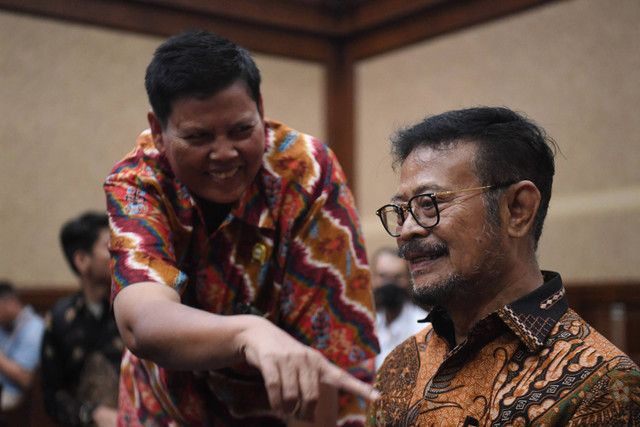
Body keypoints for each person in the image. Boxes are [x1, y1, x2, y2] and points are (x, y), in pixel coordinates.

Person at [103, 29, 379, 426]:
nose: (224, 154)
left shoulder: (306, 174)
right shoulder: (139, 180)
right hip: (167, 407)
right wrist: (249, 332)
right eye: (198, 137)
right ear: (159, 131)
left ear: (260, 109)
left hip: (278, 411)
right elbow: (142, 322)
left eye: (241, 130)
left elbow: (328, 352)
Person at [367, 107, 640, 425]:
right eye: (401, 210)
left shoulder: (601, 385)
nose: (407, 229)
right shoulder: (401, 364)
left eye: (429, 204)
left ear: (518, 209)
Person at [40, 212, 123, 427]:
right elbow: (53, 396)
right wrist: (92, 413)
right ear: (82, 260)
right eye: (109, 246)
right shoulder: (59, 319)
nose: (120, 253)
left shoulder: (130, 310)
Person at [370, 247, 427, 371]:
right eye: (382, 276)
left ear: (409, 280)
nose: (389, 283)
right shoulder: (367, 325)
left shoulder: (425, 329)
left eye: (397, 277)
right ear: (372, 279)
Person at [0, 280, 44, 411]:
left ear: (9, 303)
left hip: (15, 396)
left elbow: (25, 378)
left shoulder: (34, 328)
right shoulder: (5, 324)